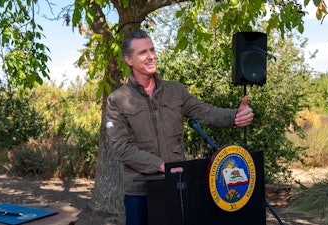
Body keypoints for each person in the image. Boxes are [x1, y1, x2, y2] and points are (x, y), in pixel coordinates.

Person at [105, 29, 254, 225]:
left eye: (152, 50)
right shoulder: (117, 100)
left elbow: (206, 112)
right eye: (142, 53)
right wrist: (161, 166)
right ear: (128, 60)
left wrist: (235, 116)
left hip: (176, 186)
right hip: (139, 192)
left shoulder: (176, 90)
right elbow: (122, 149)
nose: (151, 56)